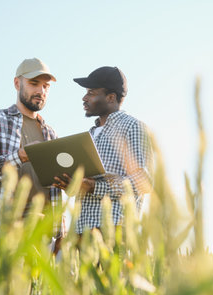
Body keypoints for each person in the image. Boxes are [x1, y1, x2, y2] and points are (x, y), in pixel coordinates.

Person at [53, 66, 153, 237]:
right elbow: (83, 185)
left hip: (114, 231)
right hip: (80, 232)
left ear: (111, 97)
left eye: (91, 93)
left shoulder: (133, 127)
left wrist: (95, 187)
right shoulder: (89, 135)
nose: (84, 98)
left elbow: (142, 181)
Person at [0, 57, 63, 239]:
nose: (41, 91)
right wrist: (20, 156)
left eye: (46, 86)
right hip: (3, 227)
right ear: (17, 83)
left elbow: (55, 188)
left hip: (43, 232)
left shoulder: (50, 134)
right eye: (34, 83)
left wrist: (61, 233)